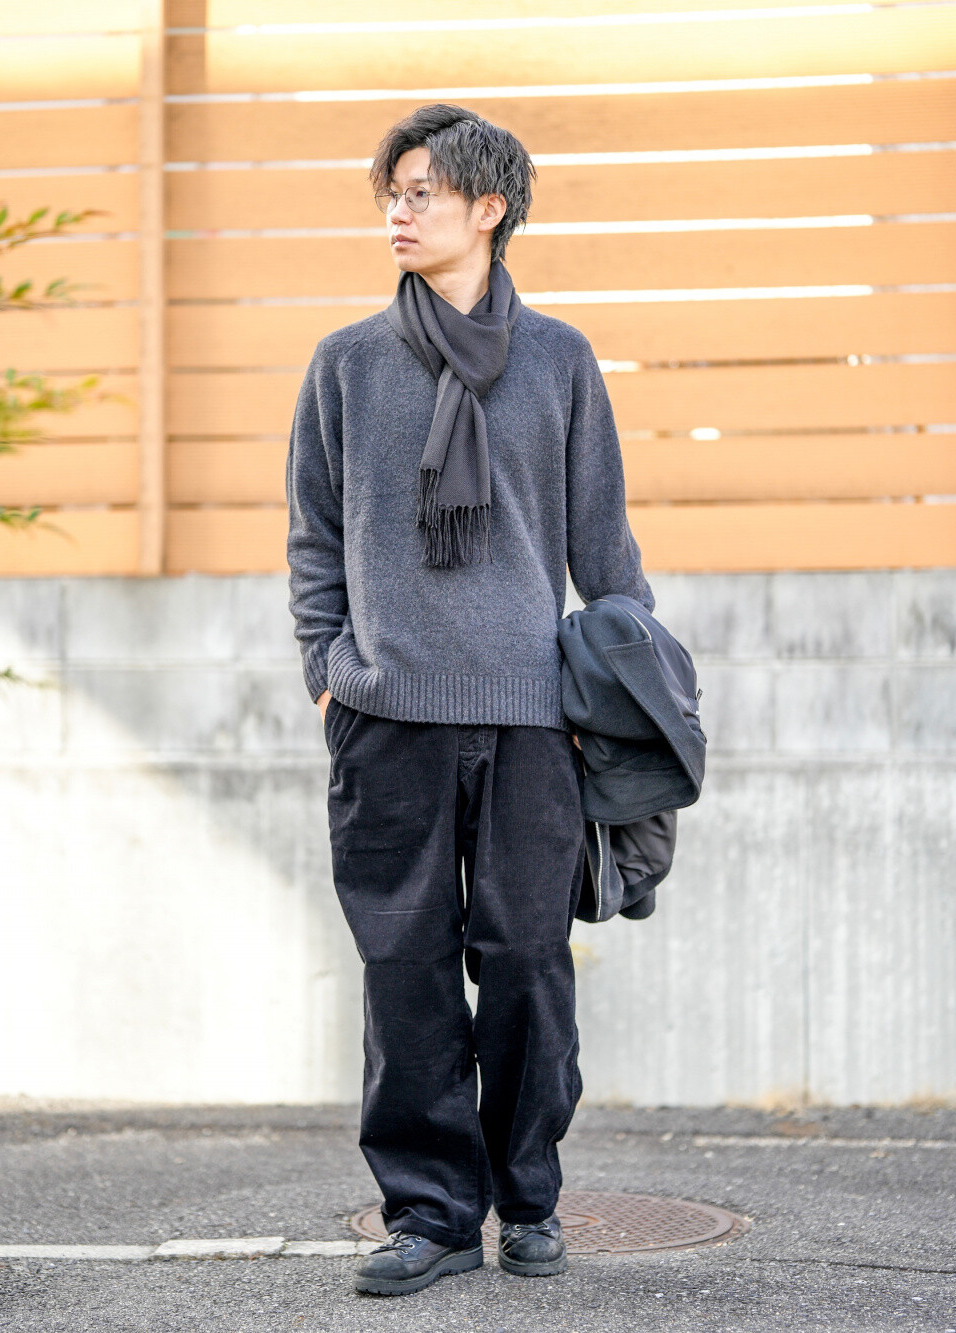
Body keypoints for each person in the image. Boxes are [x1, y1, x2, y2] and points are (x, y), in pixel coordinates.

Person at [286, 103, 654, 1298]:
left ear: (488, 207)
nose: (398, 213)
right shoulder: (346, 363)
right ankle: (431, 1212)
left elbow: (604, 548)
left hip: (532, 719)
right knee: (404, 971)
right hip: (386, 717)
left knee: (527, 963)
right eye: (390, 194)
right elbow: (313, 540)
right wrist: (330, 673)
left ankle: (528, 1197)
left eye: (422, 193)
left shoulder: (559, 360)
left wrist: (632, 695)